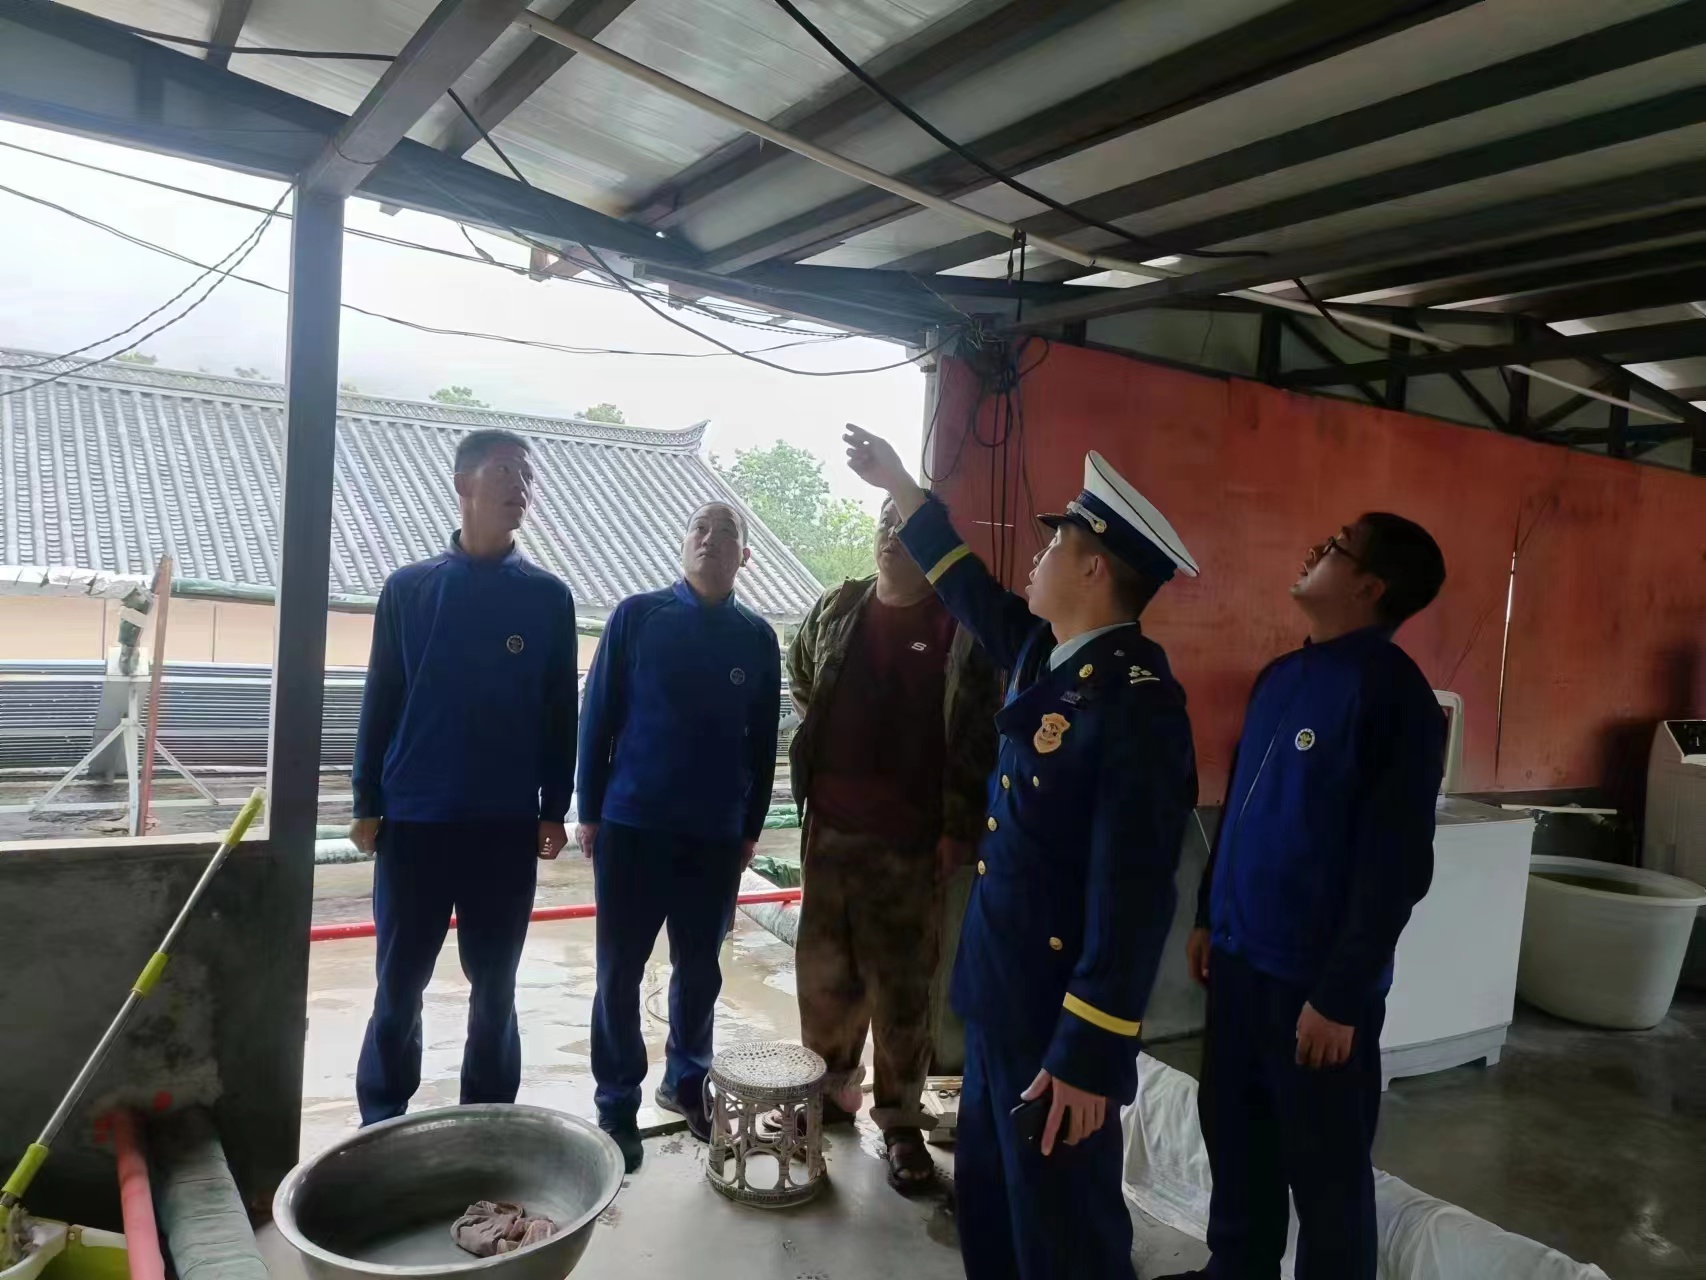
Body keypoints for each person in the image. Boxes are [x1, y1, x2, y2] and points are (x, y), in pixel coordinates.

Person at [844, 425, 1199, 1280]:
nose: (1035, 558)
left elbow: (1134, 896)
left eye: (1054, 545)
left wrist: (1089, 1054)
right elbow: (968, 589)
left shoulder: (1137, 706)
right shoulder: (1054, 654)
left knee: (1062, 1224)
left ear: (1093, 570)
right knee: (994, 1201)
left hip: (1057, 1018)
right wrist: (902, 488)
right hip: (1003, 991)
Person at [1161, 516, 1447, 1280]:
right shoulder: (1282, 677)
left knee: (1327, 1175)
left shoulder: (1392, 695)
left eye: (1337, 545)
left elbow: (1396, 866)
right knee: (1235, 1137)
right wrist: (1207, 915)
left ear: (1369, 585)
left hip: (1312, 989)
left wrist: (1341, 996)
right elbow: (1242, 810)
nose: (1316, 549)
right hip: (1238, 965)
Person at [350, 429, 578, 1126]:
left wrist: (554, 806)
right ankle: (382, 1115)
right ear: (463, 483)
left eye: (528, 478)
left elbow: (559, 712)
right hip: (414, 819)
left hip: (504, 824)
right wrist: (366, 798)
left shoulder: (547, 598)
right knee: (399, 982)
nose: (520, 488)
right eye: (506, 471)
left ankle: (488, 1118)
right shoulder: (410, 589)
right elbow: (381, 697)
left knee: (495, 985)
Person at [787, 498, 1002, 1194]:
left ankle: (901, 1122)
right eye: (884, 523)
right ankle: (827, 1095)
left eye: (906, 528)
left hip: (912, 844)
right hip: (830, 832)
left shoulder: (959, 628)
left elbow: (981, 736)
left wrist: (959, 828)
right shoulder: (838, 606)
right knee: (824, 977)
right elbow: (803, 675)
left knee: (904, 988)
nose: (891, 537)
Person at [578, 501, 781, 1171]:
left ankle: (688, 1081)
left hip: (714, 836)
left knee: (700, 969)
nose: (711, 540)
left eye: (727, 534)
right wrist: (589, 810)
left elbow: (761, 744)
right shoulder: (639, 617)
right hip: (633, 826)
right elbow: (597, 715)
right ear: (684, 542)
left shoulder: (756, 638)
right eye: (700, 529)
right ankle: (616, 1103)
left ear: (744, 556)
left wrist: (750, 827)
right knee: (619, 970)